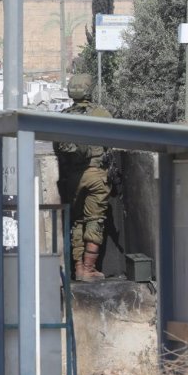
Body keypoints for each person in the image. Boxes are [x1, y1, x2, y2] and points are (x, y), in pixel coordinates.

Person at [53, 74, 114, 281]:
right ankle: (89, 268)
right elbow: (112, 140)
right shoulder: (100, 113)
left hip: (72, 177)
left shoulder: (63, 115)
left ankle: (78, 267)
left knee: (78, 220)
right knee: (95, 219)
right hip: (96, 174)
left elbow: (57, 149)